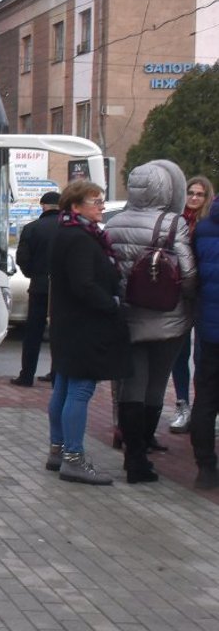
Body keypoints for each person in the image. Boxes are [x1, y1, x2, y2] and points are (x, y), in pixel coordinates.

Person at [105, 159, 196, 483]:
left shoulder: (114, 222)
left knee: (132, 386)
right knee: (156, 388)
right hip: (167, 318)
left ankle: (132, 457)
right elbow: (186, 274)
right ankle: (142, 455)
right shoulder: (174, 224)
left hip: (127, 316)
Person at [45, 179, 126, 485]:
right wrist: (112, 303)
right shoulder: (80, 238)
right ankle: (73, 458)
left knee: (64, 387)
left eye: (101, 201)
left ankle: (58, 449)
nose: (101, 207)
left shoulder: (66, 232)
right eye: (96, 202)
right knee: (79, 389)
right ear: (75, 207)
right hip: (84, 326)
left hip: (68, 324)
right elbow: (84, 284)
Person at [169, 175, 214, 432]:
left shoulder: (209, 224)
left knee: (203, 356)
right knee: (180, 353)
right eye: (191, 193)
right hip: (181, 295)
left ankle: (203, 407)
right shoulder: (178, 222)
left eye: (200, 194)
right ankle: (182, 404)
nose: (194, 198)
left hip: (205, 296)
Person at [12, 190, 61, 387]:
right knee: (59, 333)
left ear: (43, 206)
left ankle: (26, 375)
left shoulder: (32, 228)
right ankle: (57, 374)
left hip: (39, 287)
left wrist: (32, 274)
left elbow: (22, 258)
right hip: (62, 290)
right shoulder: (69, 228)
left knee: (33, 333)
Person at [190, 191, 219, 489]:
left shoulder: (205, 227)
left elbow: (193, 274)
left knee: (206, 398)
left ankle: (206, 466)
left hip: (210, 330)